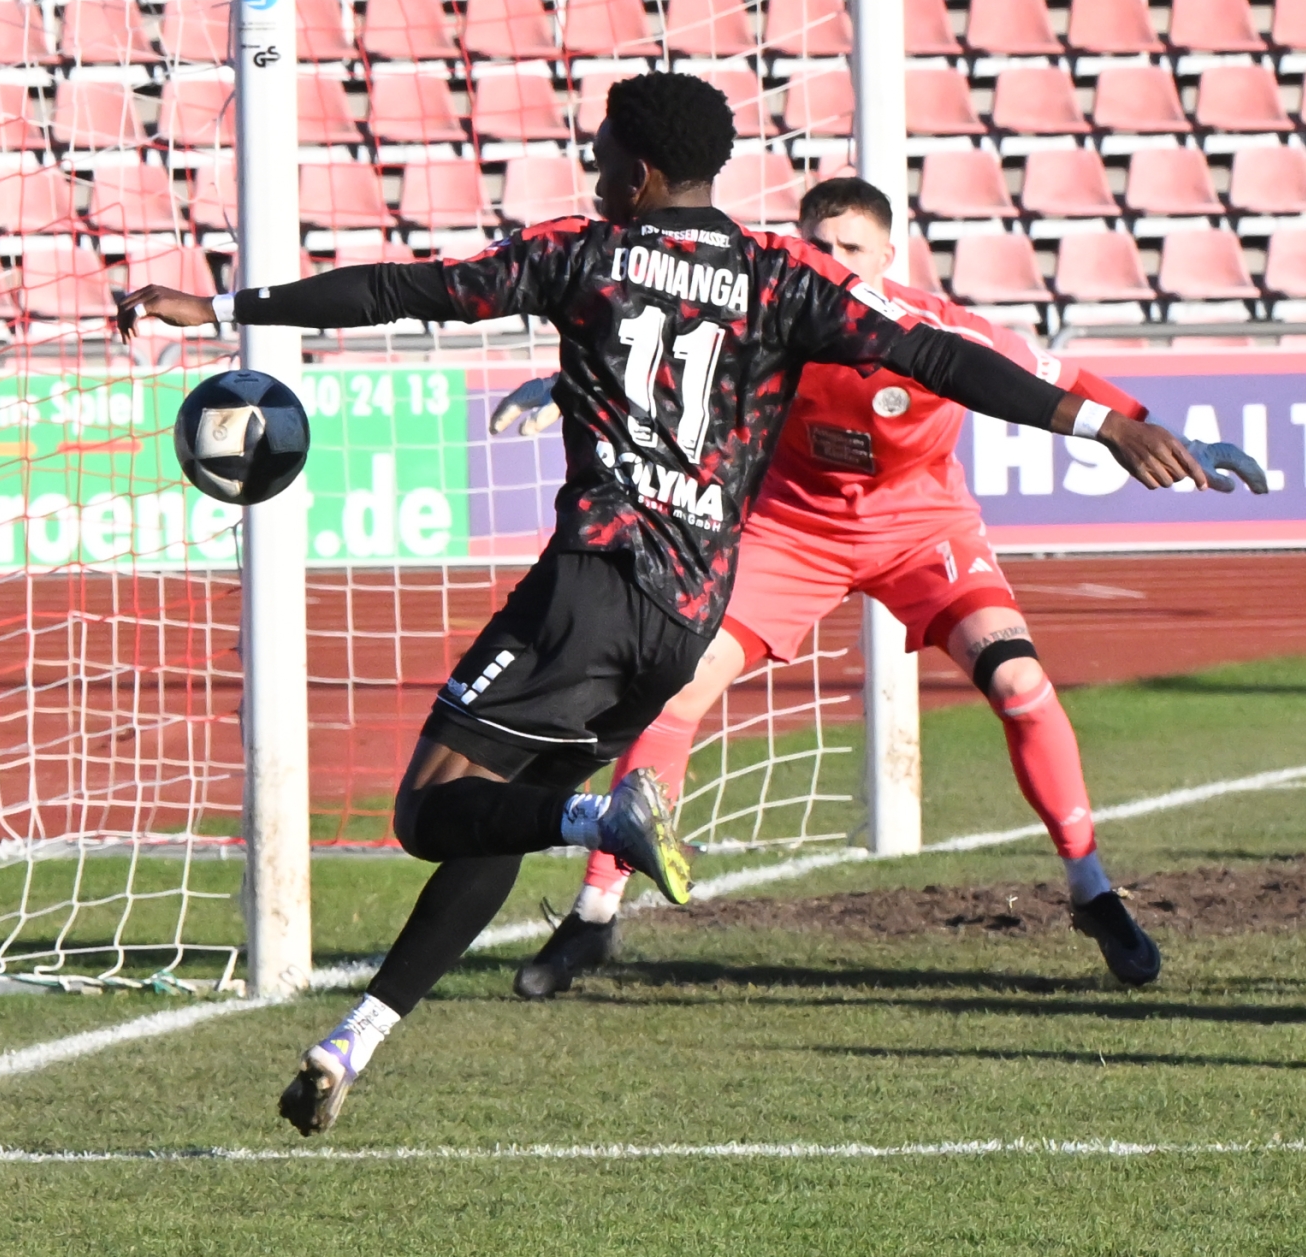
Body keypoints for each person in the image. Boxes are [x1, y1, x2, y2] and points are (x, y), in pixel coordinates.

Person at [117, 72, 1217, 1136]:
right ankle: (358, 1035)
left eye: (602, 155)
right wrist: (1103, 426)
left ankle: (600, 825)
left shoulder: (581, 252)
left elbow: (402, 292)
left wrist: (223, 306)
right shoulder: (781, 277)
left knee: (429, 814)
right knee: (509, 806)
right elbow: (939, 354)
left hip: (591, 585)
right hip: (686, 612)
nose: (594, 170)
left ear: (637, 174)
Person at [505, 177, 1267, 1000]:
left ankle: (1092, 891)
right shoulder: (765, 316)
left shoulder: (942, 330)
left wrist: (1165, 435)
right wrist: (564, 386)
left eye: (851, 248)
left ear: (887, 257)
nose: (832, 260)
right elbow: (654, 352)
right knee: (672, 692)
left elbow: (1068, 381)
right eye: (818, 245)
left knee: (1020, 682)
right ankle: (595, 912)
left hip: (922, 529)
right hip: (791, 529)